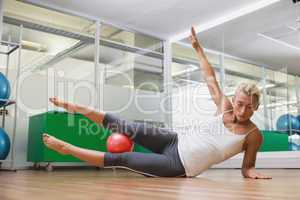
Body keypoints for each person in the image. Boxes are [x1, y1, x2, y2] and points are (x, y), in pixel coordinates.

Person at [43, 27, 271, 179]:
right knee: (124, 125)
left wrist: (252, 173)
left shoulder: (253, 135)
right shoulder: (225, 108)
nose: (242, 110)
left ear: (256, 107)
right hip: (173, 139)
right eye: (240, 103)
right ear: (234, 99)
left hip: (180, 165)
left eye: (249, 106)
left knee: (123, 158)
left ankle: (67, 149)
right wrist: (198, 49)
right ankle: (72, 106)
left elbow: (247, 166)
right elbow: (209, 77)